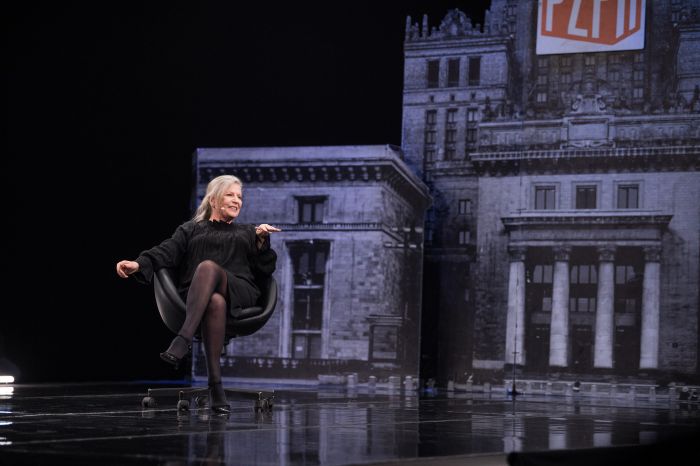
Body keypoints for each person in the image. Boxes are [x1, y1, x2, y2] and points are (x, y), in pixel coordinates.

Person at [116, 174, 280, 414]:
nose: (237, 201)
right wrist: (138, 264)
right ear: (213, 200)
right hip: (196, 295)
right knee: (214, 300)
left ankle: (182, 340)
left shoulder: (248, 232)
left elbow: (265, 271)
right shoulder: (190, 229)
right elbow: (166, 251)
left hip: (239, 292)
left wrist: (262, 242)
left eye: (239, 197)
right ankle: (216, 385)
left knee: (207, 268)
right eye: (230, 195)